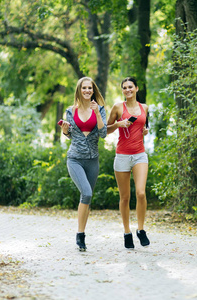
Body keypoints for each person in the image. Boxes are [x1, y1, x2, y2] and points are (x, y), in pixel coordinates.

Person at [58, 77, 107, 251]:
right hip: (75, 159)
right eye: (84, 88)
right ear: (79, 90)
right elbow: (70, 134)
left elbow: (103, 133)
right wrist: (65, 130)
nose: (87, 90)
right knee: (86, 193)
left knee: (87, 198)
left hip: (93, 160)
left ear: (93, 90)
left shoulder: (100, 109)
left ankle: (82, 234)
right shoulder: (71, 110)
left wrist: (97, 114)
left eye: (90, 88)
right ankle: (80, 235)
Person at [107, 77, 150, 249]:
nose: (127, 90)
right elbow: (105, 130)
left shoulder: (144, 107)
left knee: (140, 193)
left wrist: (145, 131)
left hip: (140, 154)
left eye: (130, 87)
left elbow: (144, 127)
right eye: (124, 88)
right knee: (125, 197)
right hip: (122, 155)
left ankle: (140, 229)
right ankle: (127, 232)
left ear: (136, 88)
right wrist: (119, 124)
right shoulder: (118, 107)